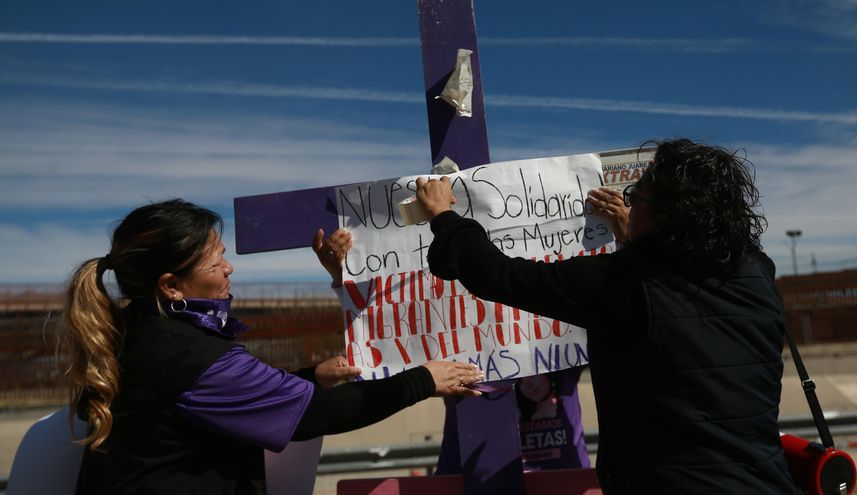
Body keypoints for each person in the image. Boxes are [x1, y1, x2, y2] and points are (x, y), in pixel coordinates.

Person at [415, 139, 796, 494]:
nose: (630, 205)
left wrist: (445, 217)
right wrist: (637, 238)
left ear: (664, 213)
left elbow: (503, 277)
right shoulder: (757, 273)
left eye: (637, 196)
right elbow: (682, 291)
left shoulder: (623, 281)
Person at [61, 199, 483, 495]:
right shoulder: (186, 352)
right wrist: (424, 380)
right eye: (215, 262)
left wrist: (308, 377)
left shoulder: (134, 332)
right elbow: (318, 415)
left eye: (224, 254)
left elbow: (206, 403)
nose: (228, 268)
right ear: (170, 285)